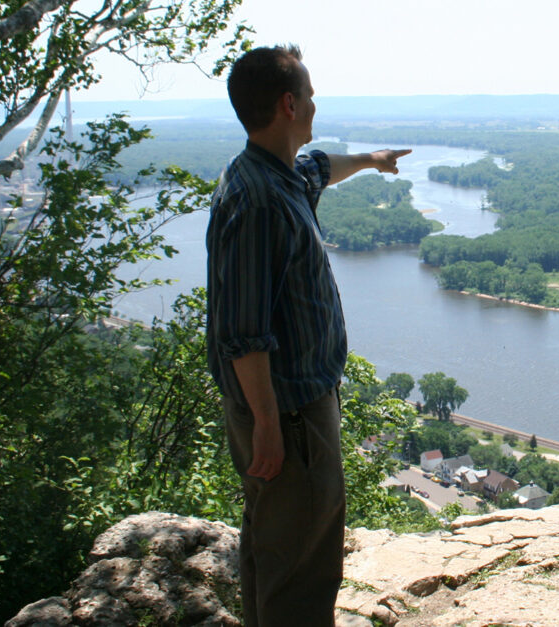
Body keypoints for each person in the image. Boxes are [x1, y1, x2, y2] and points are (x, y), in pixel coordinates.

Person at [205, 44, 409, 627]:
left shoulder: (275, 173)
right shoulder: (261, 200)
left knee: (275, 543)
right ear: (289, 103)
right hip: (289, 415)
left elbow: (319, 166)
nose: (317, 104)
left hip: (290, 410)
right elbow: (243, 333)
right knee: (305, 560)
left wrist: (371, 159)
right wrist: (268, 424)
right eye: (311, 94)